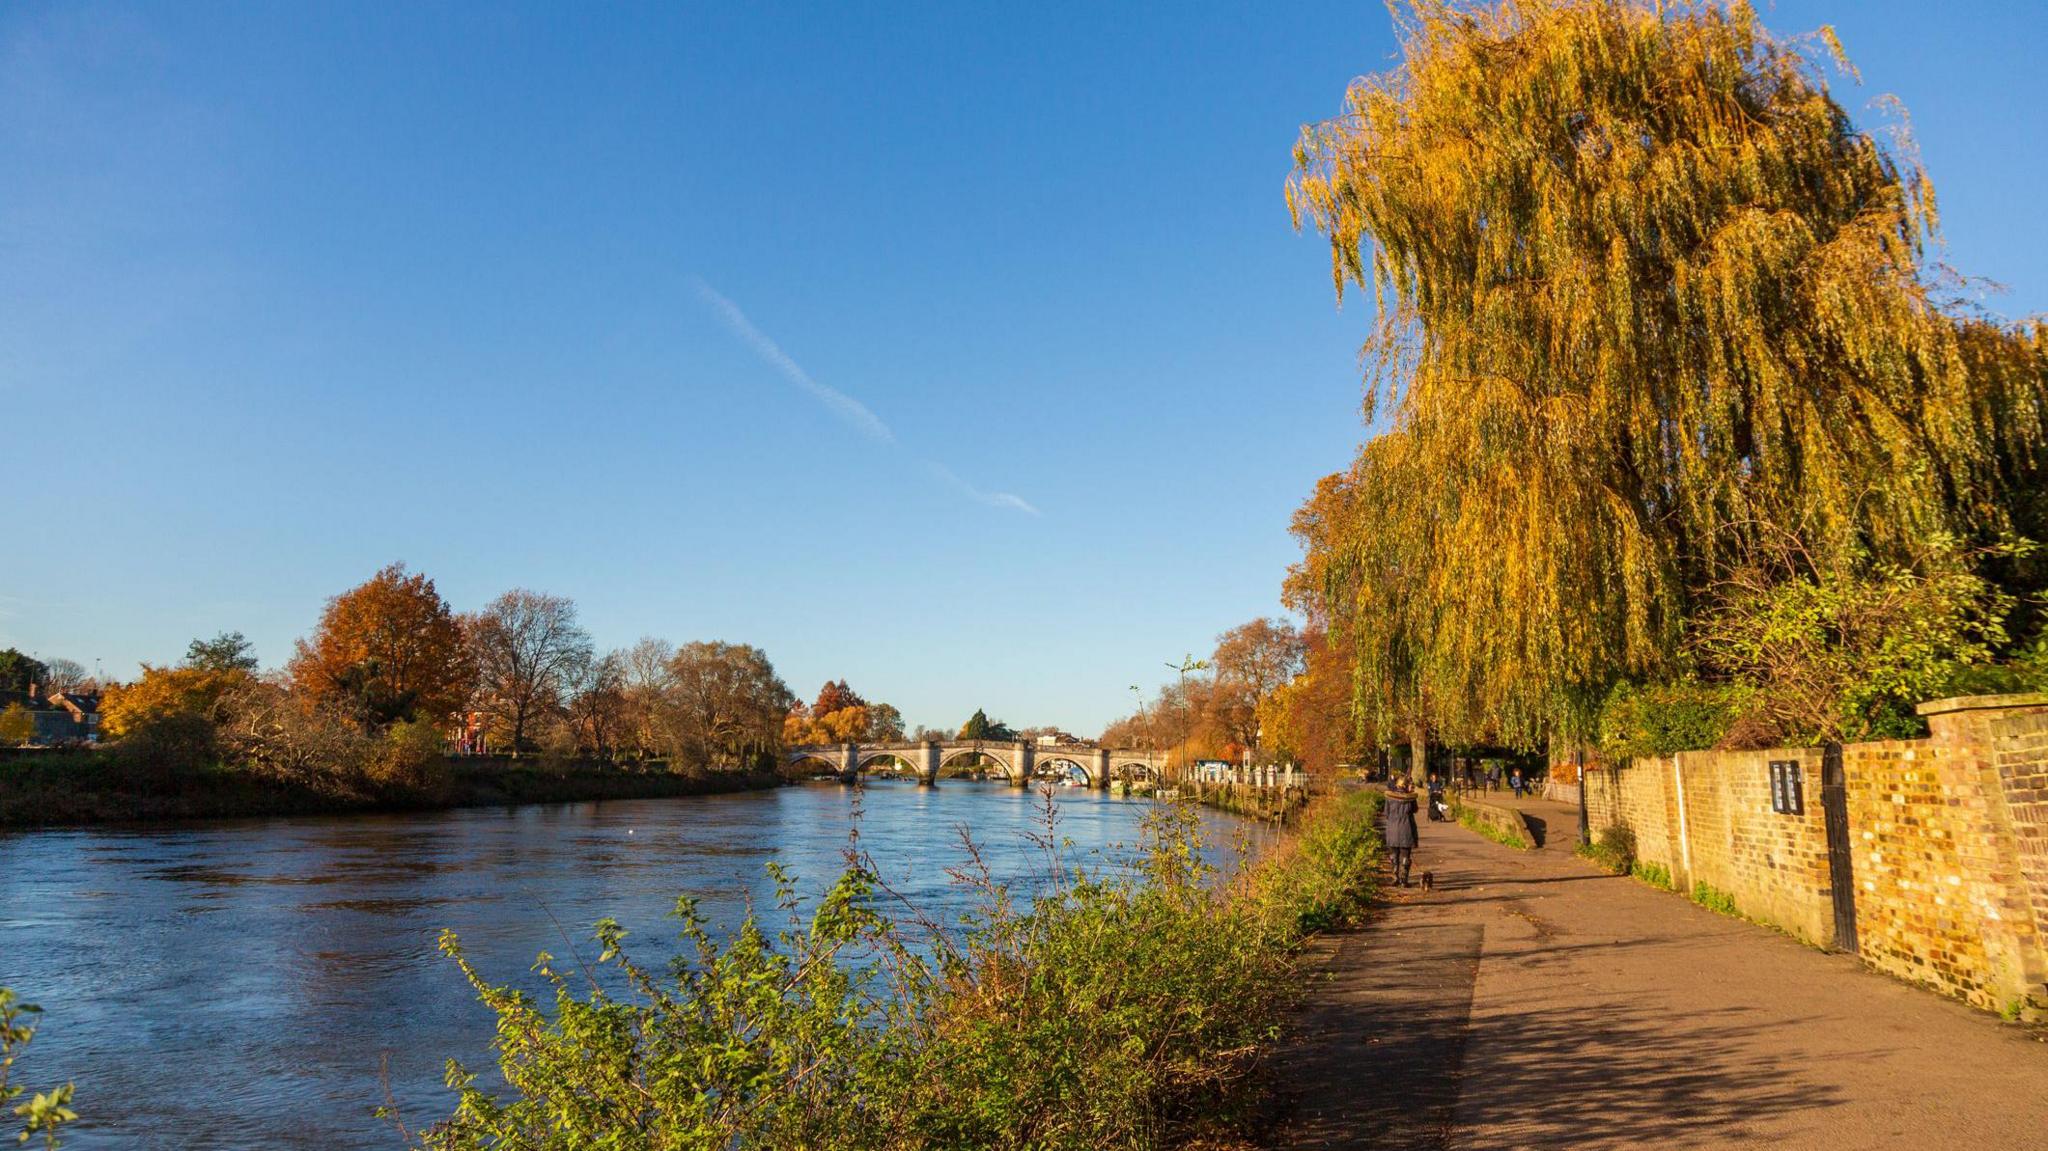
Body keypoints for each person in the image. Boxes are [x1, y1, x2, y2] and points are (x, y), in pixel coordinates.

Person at [1384, 775, 1419, 886]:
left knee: (1394, 855)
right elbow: (1415, 810)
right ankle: (1404, 880)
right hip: (1406, 828)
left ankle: (1395, 877)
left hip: (1392, 829)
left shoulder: (1389, 797)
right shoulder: (1410, 798)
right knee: (1405, 855)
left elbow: (1386, 813)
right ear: (1406, 785)